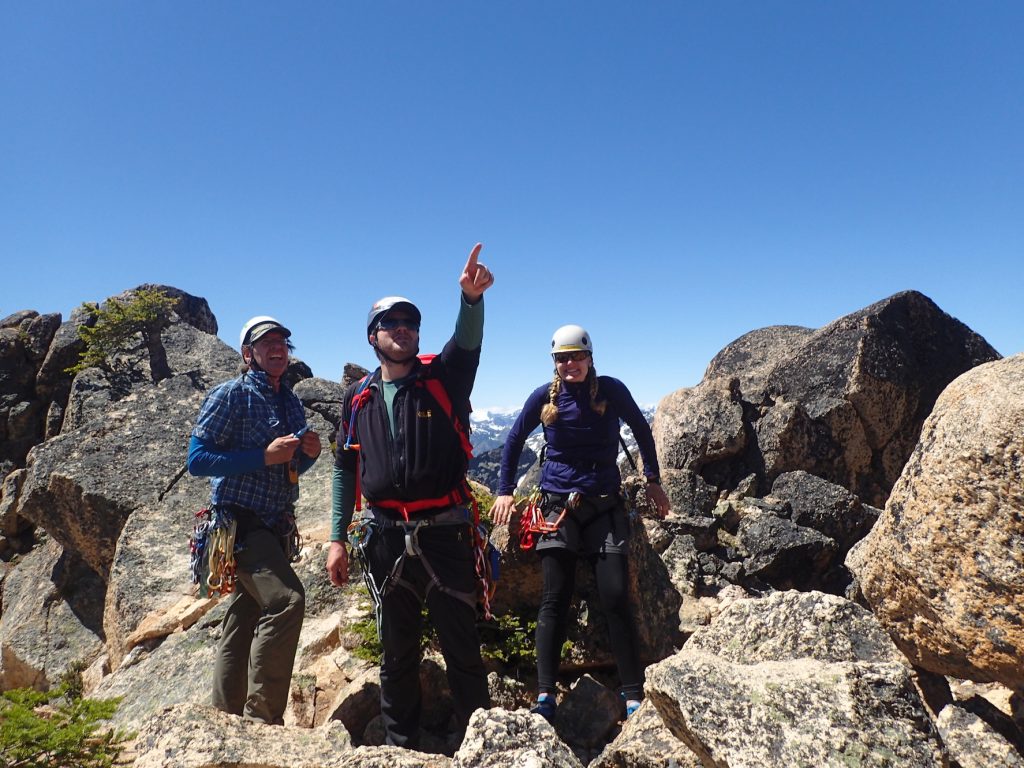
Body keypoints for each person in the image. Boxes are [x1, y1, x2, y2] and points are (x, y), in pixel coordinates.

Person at [326, 243, 495, 749]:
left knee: (461, 646)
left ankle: (478, 743)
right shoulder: (358, 398)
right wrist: (337, 538)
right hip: (384, 537)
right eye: (392, 323)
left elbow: (467, 343)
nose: (404, 329)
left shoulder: (441, 379)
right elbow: (344, 468)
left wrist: (469, 300)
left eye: (411, 323)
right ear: (373, 335)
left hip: (444, 531)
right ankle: (400, 747)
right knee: (395, 652)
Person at [491, 324, 670, 722]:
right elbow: (514, 440)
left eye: (576, 356)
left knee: (615, 595)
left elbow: (643, 431)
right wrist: (504, 490)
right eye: (562, 358)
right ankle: (544, 693)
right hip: (558, 508)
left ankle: (631, 691)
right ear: (554, 362)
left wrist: (653, 481)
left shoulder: (611, 391)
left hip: (604, 505)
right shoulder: (543, 396)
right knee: (555, 596)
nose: (570, 363)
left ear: (590, 357)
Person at [188, 315, 322, 724]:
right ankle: (262, 717)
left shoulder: (290, 401)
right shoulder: (230, 395)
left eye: (283, 343)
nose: (278, 349)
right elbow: (197, 460)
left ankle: (225, 715)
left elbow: (290, 467)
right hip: (240, 523)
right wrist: (263, 455)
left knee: (245, 614)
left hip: (271, 523)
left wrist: (308, 455)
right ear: (249, 354)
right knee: (286, 601)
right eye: (267, 344)